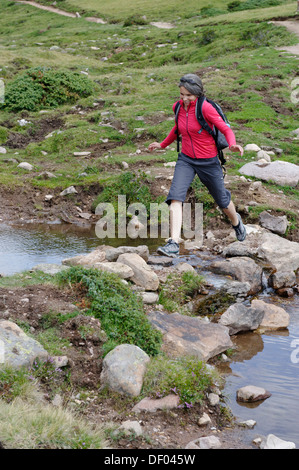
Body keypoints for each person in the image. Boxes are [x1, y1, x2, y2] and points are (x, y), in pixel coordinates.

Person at [148, 73, 246, 257]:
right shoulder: (178, 107)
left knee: (223, 200)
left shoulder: (206, 108)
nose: (184, 99)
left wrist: (232, 144)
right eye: (182, 95)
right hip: (186, 159)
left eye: (189, 95)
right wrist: (162, 144)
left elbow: (225, 128)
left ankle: (236, 222)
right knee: (175, 197)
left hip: (208, 162)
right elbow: (178, 128)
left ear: (198, 93)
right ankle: (173, 243)